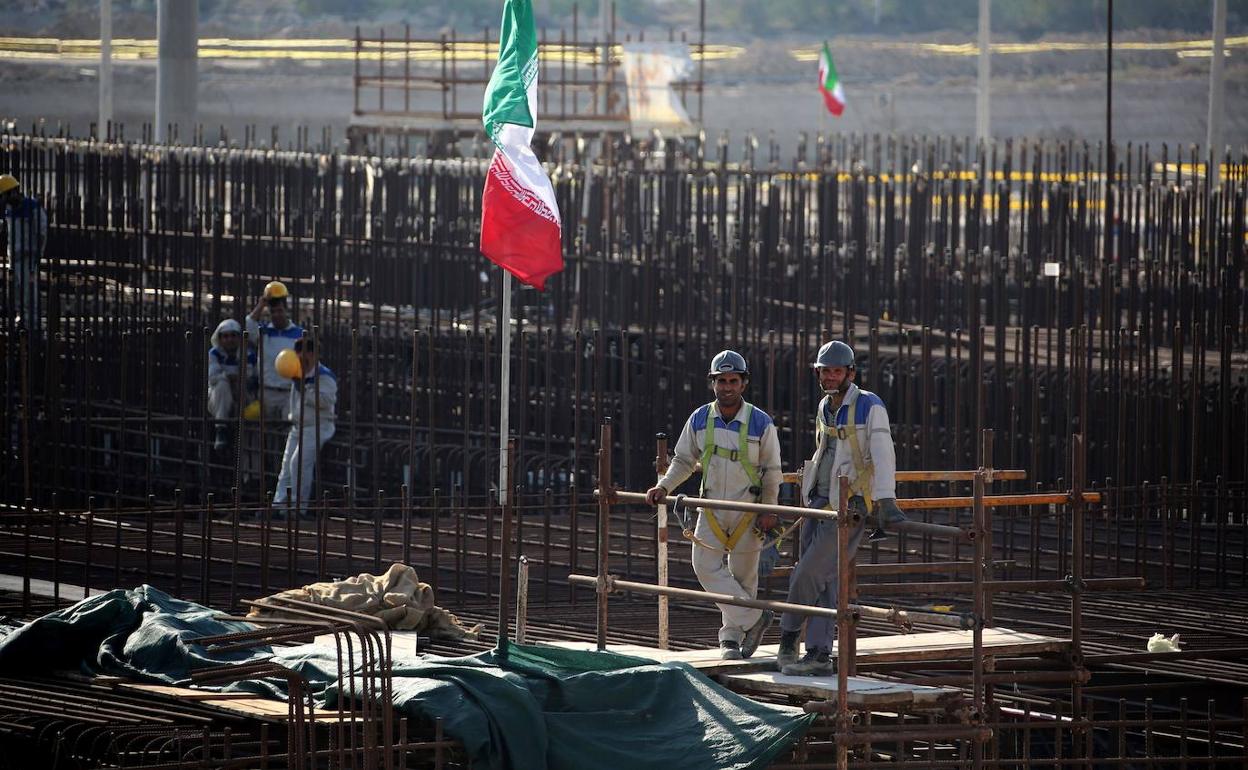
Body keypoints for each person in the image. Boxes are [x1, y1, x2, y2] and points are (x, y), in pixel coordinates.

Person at [776, 340, 908, 676]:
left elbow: (883, 453)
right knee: (824, 580)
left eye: (837, 371)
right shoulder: (824, 406)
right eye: (826, 371)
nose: (831, 376)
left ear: (850, 372)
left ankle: (788, 634)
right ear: (818, 373)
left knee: (807, 573)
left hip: (848, 505)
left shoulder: (869, 406)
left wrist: (886, 500)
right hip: (819, 500)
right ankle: (819, 653)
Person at [646, 350, 783, 660]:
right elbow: (683, 460)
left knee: (743, 576)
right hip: (712, 508)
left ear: (743, 383)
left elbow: (772, 472)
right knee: (705, 567)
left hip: (749, 509)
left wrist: (769, 509)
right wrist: (664, 486)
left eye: (733, 380)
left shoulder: (761, 423)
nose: (727, 387)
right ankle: (754, 619)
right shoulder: (699, 418)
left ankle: (732, 639)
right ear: (713, 383)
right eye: (721, 380)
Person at [274, 337, 336, 514]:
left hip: (318, 426)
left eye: (308, 352)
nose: (303, 357)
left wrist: (305, 390)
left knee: (298, 463)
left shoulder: (324, 375)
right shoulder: (297, 373)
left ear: (314, 355)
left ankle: (297, 508)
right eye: (300, 352)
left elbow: (326, 401)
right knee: (286, 468)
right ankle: (279, 507)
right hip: (298, 426)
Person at [246, 280, 303, 424]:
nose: (277, 315)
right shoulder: (263, 332)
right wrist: (261, 304)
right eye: (273, 312)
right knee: (267, 435)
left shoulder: (299, 334)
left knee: (287, 430)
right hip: (267, 392)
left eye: (280, 311)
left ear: (286, 310)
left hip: (289, 392)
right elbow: (248, 326)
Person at [1, 174, 47, 334]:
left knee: (30, 293)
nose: (4, 200)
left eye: (5, 195)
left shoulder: (32, 207)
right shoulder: (9, 210)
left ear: (13, 192)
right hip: (14, 258)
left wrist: (37, 255)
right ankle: (22, 320)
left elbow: (42, 233)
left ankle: (32, 325)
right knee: (16, 292)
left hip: (28, 258)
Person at [206, 318, 258, 449]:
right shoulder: (214, 354)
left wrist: (237, 380)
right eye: (226, 336)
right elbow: (213, 378)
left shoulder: (248, 355)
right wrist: (231, 378)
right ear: (220, 338)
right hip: (219, 401)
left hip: (243, 397)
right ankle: (221, 429)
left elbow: (252, 377)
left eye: (233, 335)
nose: (230, 339)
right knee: (222, 384)